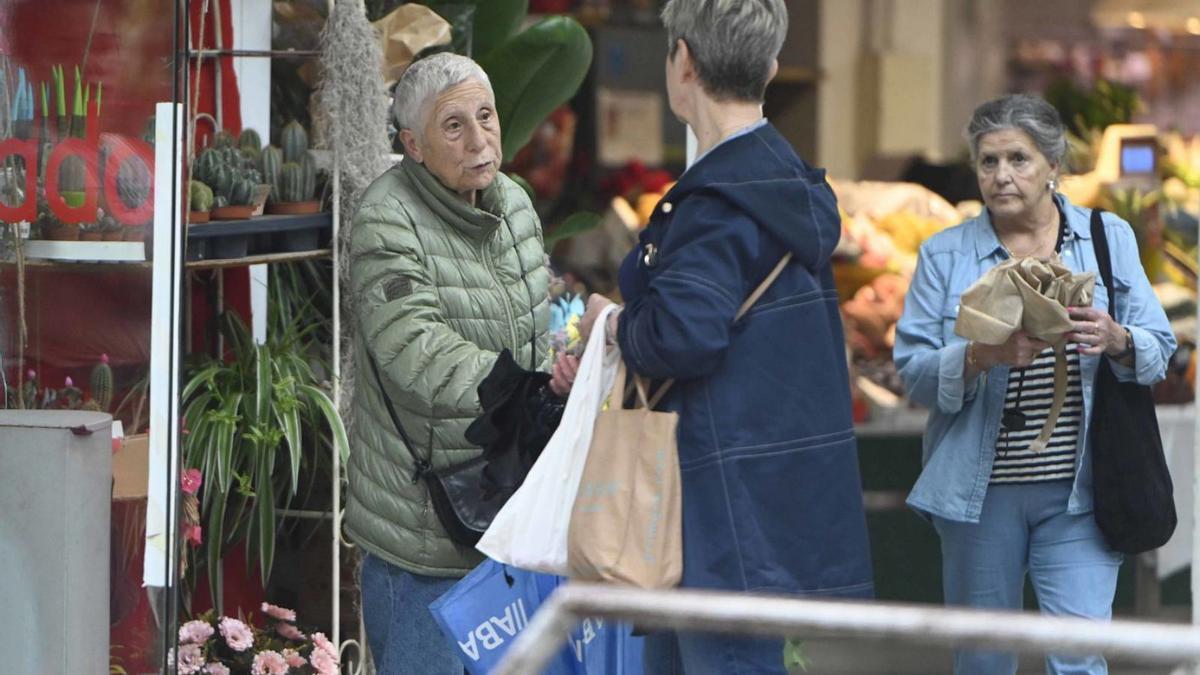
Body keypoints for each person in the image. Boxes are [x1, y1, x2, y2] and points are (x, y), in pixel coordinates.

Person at [578, 1, 874, 671]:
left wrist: (610, 321)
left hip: (721, 514)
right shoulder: (785, 186)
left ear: (682, 60)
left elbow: (680, 336)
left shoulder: (718, 203)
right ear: (770, 66)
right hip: (766, 500)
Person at [893, 94, 1176, 675]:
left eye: (1018, 159)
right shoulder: (945, 254)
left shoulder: (1108, 237)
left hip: (1081, 494)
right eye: (988, 161)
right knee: (984, 660)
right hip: (978, 497)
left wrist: (1118, 339)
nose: (1001, 176)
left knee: (1077, 659)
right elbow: (913, 372)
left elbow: (1159, 347)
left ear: (1053, 165)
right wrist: (981, 355)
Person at [343, 52, 559, 674]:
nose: (479, 139)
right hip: (425, 537)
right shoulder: (387, 217)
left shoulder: (514, 202)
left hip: (506, 516)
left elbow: (532, 329)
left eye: (485, 117)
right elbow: (414, 350)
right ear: (412, 144)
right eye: (454, 126)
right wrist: (520, 390)